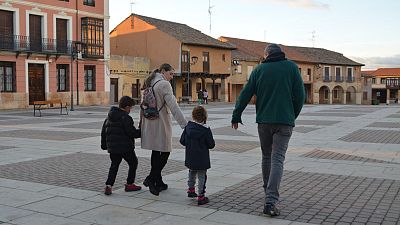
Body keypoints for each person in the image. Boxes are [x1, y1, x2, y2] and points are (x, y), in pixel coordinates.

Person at [231, 44, 305, 216]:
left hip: (264, 122)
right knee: (277, 159)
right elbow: (301, 96)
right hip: (284, 121)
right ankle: (271, 201)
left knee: (266, 156)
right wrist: (292, 115)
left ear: (266, 55)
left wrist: (236, 115)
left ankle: (268, 192)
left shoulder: (259, 70)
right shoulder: (292, 68)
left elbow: (245, 93)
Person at [141, 63, 187, 196]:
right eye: (170, 73)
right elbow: (173, 106)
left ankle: (158, 181)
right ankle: (151, 179)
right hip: (161, 122)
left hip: (150, 121)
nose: (172, 77)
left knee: (156, 152)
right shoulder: (164, 85)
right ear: (163, 71)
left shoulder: (149, 81)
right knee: (166, 151)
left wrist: (141, 123)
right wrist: (184, 124)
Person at [101, 96, 142, 195]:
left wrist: (104, 145)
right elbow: (132, 133)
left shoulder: (109, 117)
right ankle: (129, 184)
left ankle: (109, 185)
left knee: (114, 166)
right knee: (133, 163)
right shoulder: (125, 118)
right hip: (125, 147)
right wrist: (141, 130)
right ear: (127, 107)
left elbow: (103, 132)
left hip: (113, 148)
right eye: (130, 108)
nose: (130, 110)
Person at [180, 105, 215, 205]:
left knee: (192, 172)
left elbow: (182, 141)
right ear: (205, 116)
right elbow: (211, 144)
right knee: (202, 176)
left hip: (190, 156)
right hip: (202, 158)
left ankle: (191, 190)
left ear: (193, 116)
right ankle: (201, 196)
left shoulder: (188, 127)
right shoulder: (206, 130)